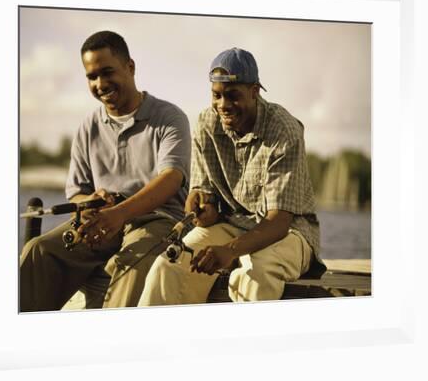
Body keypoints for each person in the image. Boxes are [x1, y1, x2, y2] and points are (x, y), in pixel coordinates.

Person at [138, 47, 326, 306]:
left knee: (256, 274)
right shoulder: (206, 123)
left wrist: (230, 251)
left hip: (289, 232)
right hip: (233, 225)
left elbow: (279, 222)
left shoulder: (284, 130)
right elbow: (205, 195)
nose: (223, 105)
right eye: (216, 95)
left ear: (255, 92)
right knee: (169, 265)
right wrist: (201, 205)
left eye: (233, 96)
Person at [20, 31, 191, 312]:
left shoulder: (170, 117)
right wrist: (88, 204)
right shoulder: (89, 126)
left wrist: (119, 214)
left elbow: (171, 178)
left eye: (107, 72)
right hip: (102, 223)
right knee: (38, 251)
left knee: (129, 266)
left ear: (130, 67)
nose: (100, 84)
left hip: (158, 220)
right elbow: (76, 193)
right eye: (92, 76)